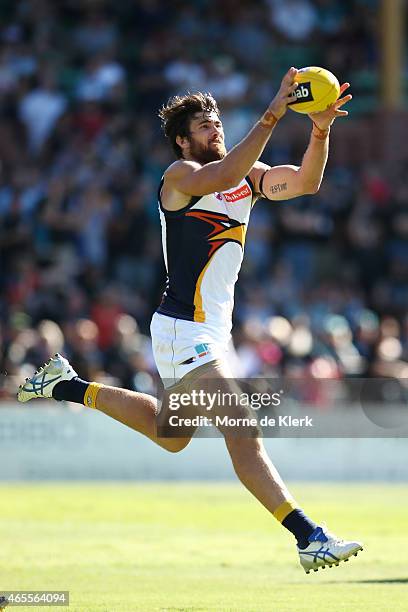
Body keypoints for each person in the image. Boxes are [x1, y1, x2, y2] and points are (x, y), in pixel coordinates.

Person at [18, 67, 362, 573]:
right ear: (182, 140)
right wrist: (271, 113)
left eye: (217, 121)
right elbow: (218, 179)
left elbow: (306, 182)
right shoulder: (178, 177)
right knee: (241, 426)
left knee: (172, 436)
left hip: (206, 333)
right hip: (184, 329)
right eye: (204, 126)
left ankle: (67, 386)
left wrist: (319, 129)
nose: (215, 130)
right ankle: (308, 535)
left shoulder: (246, 174)